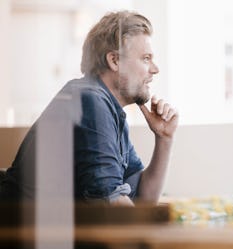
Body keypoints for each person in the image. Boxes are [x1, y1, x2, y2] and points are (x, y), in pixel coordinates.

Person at [0, 10, 178, 206]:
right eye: (146, 58)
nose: (155, 69)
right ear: (114, 60)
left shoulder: (111, 110)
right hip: (15, 228)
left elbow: (144, 197)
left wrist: (164, 139)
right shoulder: (90, 101)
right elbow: (114, 207)